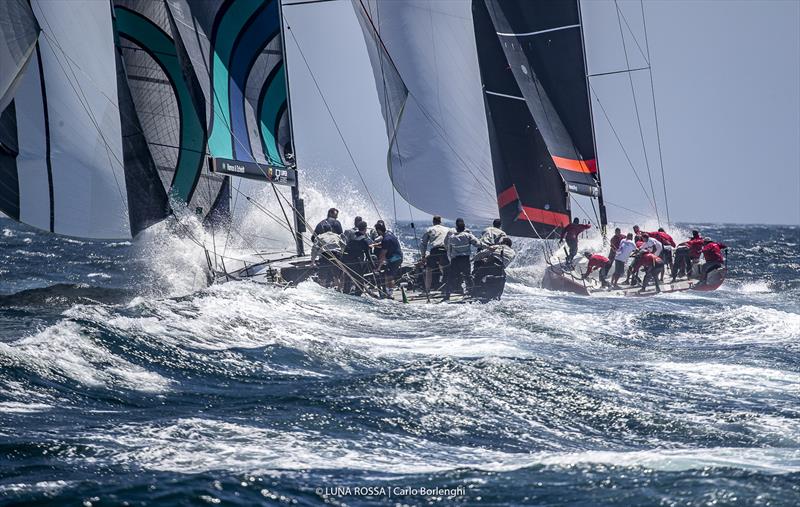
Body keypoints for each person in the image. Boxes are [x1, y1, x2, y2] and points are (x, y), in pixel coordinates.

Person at [444, 218, 480, 299]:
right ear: (464, 227)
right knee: (468, 276)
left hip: (455, 260)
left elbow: (449, 250)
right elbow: (478, 243)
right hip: (465, 260)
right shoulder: (468, 235)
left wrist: (450, 259)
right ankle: (473, 294)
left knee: (451, 278)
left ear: (456, 227)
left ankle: (447, 295)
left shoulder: (451, 237)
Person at [341, 221, 374, 295]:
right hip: (354, 261)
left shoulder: (352, 237)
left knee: (348, 277)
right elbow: (368, 255)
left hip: (345, 260)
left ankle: (345, 293)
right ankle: (357, 296)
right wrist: (374, 267)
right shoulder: (364, 240)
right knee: (360, 281)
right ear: (365, 229)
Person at [419, 215, 450, 293]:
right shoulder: (447, 229)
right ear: (441, 221)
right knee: (445, 269)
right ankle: (446, 289)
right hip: (444, 250)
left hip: (435, 250)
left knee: (429, 269)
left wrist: (423, 256)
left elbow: (423, 243)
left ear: (433, 222)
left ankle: (427, 289)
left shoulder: (430, 229)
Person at [310, 222, 345, 288]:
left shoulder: (320, 237)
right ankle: (340, 290)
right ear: (331, 229)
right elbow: (343, 245)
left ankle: (322, 290)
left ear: (323, 229)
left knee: (322, 278)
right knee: (337, 277)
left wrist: (313, 261)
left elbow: (314, 249)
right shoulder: (337, 236)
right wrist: (341, 254)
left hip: (325, 256)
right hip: (336, 256)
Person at [373, 221, 403, 297]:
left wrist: (378, 268)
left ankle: (390, 294)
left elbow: (382, 255)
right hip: (398, 256)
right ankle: (388, 292)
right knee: (387, 274)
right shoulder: (389, 234)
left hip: (395, 258)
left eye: (377, 231)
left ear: (379, 230)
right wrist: (374, 245)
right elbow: (384, 245)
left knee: (389, 276)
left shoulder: (386, 239)